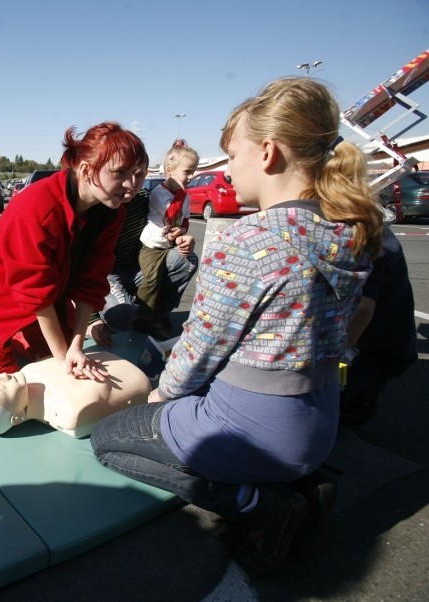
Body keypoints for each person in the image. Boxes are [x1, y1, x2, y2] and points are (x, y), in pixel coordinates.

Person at [91, 77, 384, 575]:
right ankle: (289, 485)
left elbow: (197, 354)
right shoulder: (350, 229)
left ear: (267, 152)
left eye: (232, 155)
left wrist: (158, 398)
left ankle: (258, 502)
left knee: (109, 438)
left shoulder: (249, 237)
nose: (227, 169)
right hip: (319, 420)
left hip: (255, 430)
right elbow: (355, 322)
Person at [0, 121, 148, 390]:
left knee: (57, 369)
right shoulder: (36, 205)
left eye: (139, 174)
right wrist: (62, 360)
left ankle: (22, 338)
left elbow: (91, 280)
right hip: (0, 295)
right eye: (120, 172)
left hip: (52, 294)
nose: (131, 185)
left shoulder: (112, 211)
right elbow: (33, 291)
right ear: (86, 170)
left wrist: (76, 345)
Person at [86, 186, 197, 346]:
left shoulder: (145, 198)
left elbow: (162, 229)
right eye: (123, 172)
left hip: (138, 266)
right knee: (121, 315)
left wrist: (180, 238)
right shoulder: (92, 205)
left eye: (139, 174)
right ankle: (113, 313)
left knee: (187, 260)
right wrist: (92, 320)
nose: (131, 181)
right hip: (105, 275)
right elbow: (74, 267)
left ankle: (150, 319)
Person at [0, 350, 150, 438]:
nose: (3, 375)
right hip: (134, 379)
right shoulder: (69, 414)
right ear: (16, 417)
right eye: (2, 386)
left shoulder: (29, 371)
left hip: (118, 365)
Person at [339, 224, 417, 425]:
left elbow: (363, 309)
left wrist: (332, 353)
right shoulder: (372, 229)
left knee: (342, 404)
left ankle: (354, 405)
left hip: (374, 349)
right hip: (379, 341)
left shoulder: (367, 239)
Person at [133, 141, 199, 337]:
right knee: (152, 280)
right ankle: (141, 318)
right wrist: (180, 193)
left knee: (187, 266)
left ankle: (160, 313)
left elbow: (184, 221)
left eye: (193, 171)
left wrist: (181, 232)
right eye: (187, 171)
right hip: (151, 248)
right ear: (170, 170)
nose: (191, 177)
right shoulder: (159, 193)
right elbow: (171, 214)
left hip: (168, 246)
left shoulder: (183, 196)